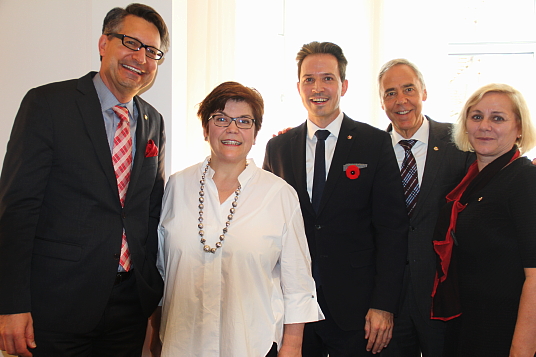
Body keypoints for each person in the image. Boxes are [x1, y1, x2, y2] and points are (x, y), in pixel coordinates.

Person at [0, 4, 169, 356]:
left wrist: (150, 290)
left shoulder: (153, 122)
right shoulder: (48, 104)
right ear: (103, 43)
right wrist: (11, 303)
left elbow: (151, 210)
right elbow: (17, 209)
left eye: (152, 51)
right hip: (55, 307)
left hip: (128, 308)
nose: (141, 57)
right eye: (130, 42)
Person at [154, 81, 323, 357]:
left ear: (255, 133)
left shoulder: (280, 195)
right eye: (221, 118)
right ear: (206, 128)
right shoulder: (176, 186)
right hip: (182, 344)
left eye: (244, 121)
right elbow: (162, 274)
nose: (232, 129)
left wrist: (291, 348)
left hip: (249, 345)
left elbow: (298, 287)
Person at [263, 41, 409, 356]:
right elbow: (267, 229)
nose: (318, 87)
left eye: (328, 78)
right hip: (295, 309)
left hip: (358, 312)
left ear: (343, 85)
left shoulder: (375, 143)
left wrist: (384, 305)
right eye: (309, 79)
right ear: (299, 86)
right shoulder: (278, 148)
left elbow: (393, 230)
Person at [377, 59, 474, 357]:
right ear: (381, 103)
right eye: (390, 93)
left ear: (424, 92)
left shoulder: (461, 142)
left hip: (443, 296)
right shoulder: (371, 148)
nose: (401, 100)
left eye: (409, 89)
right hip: (389, 302)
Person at [432, 83, 536, 356]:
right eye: (476, 116)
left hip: (505, 332)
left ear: (520, 127)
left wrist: (522, 348)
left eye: (497, 118)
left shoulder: (525, 179)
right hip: (468, 326)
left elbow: (535, 276)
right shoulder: (467, 181)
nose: (484, 126)